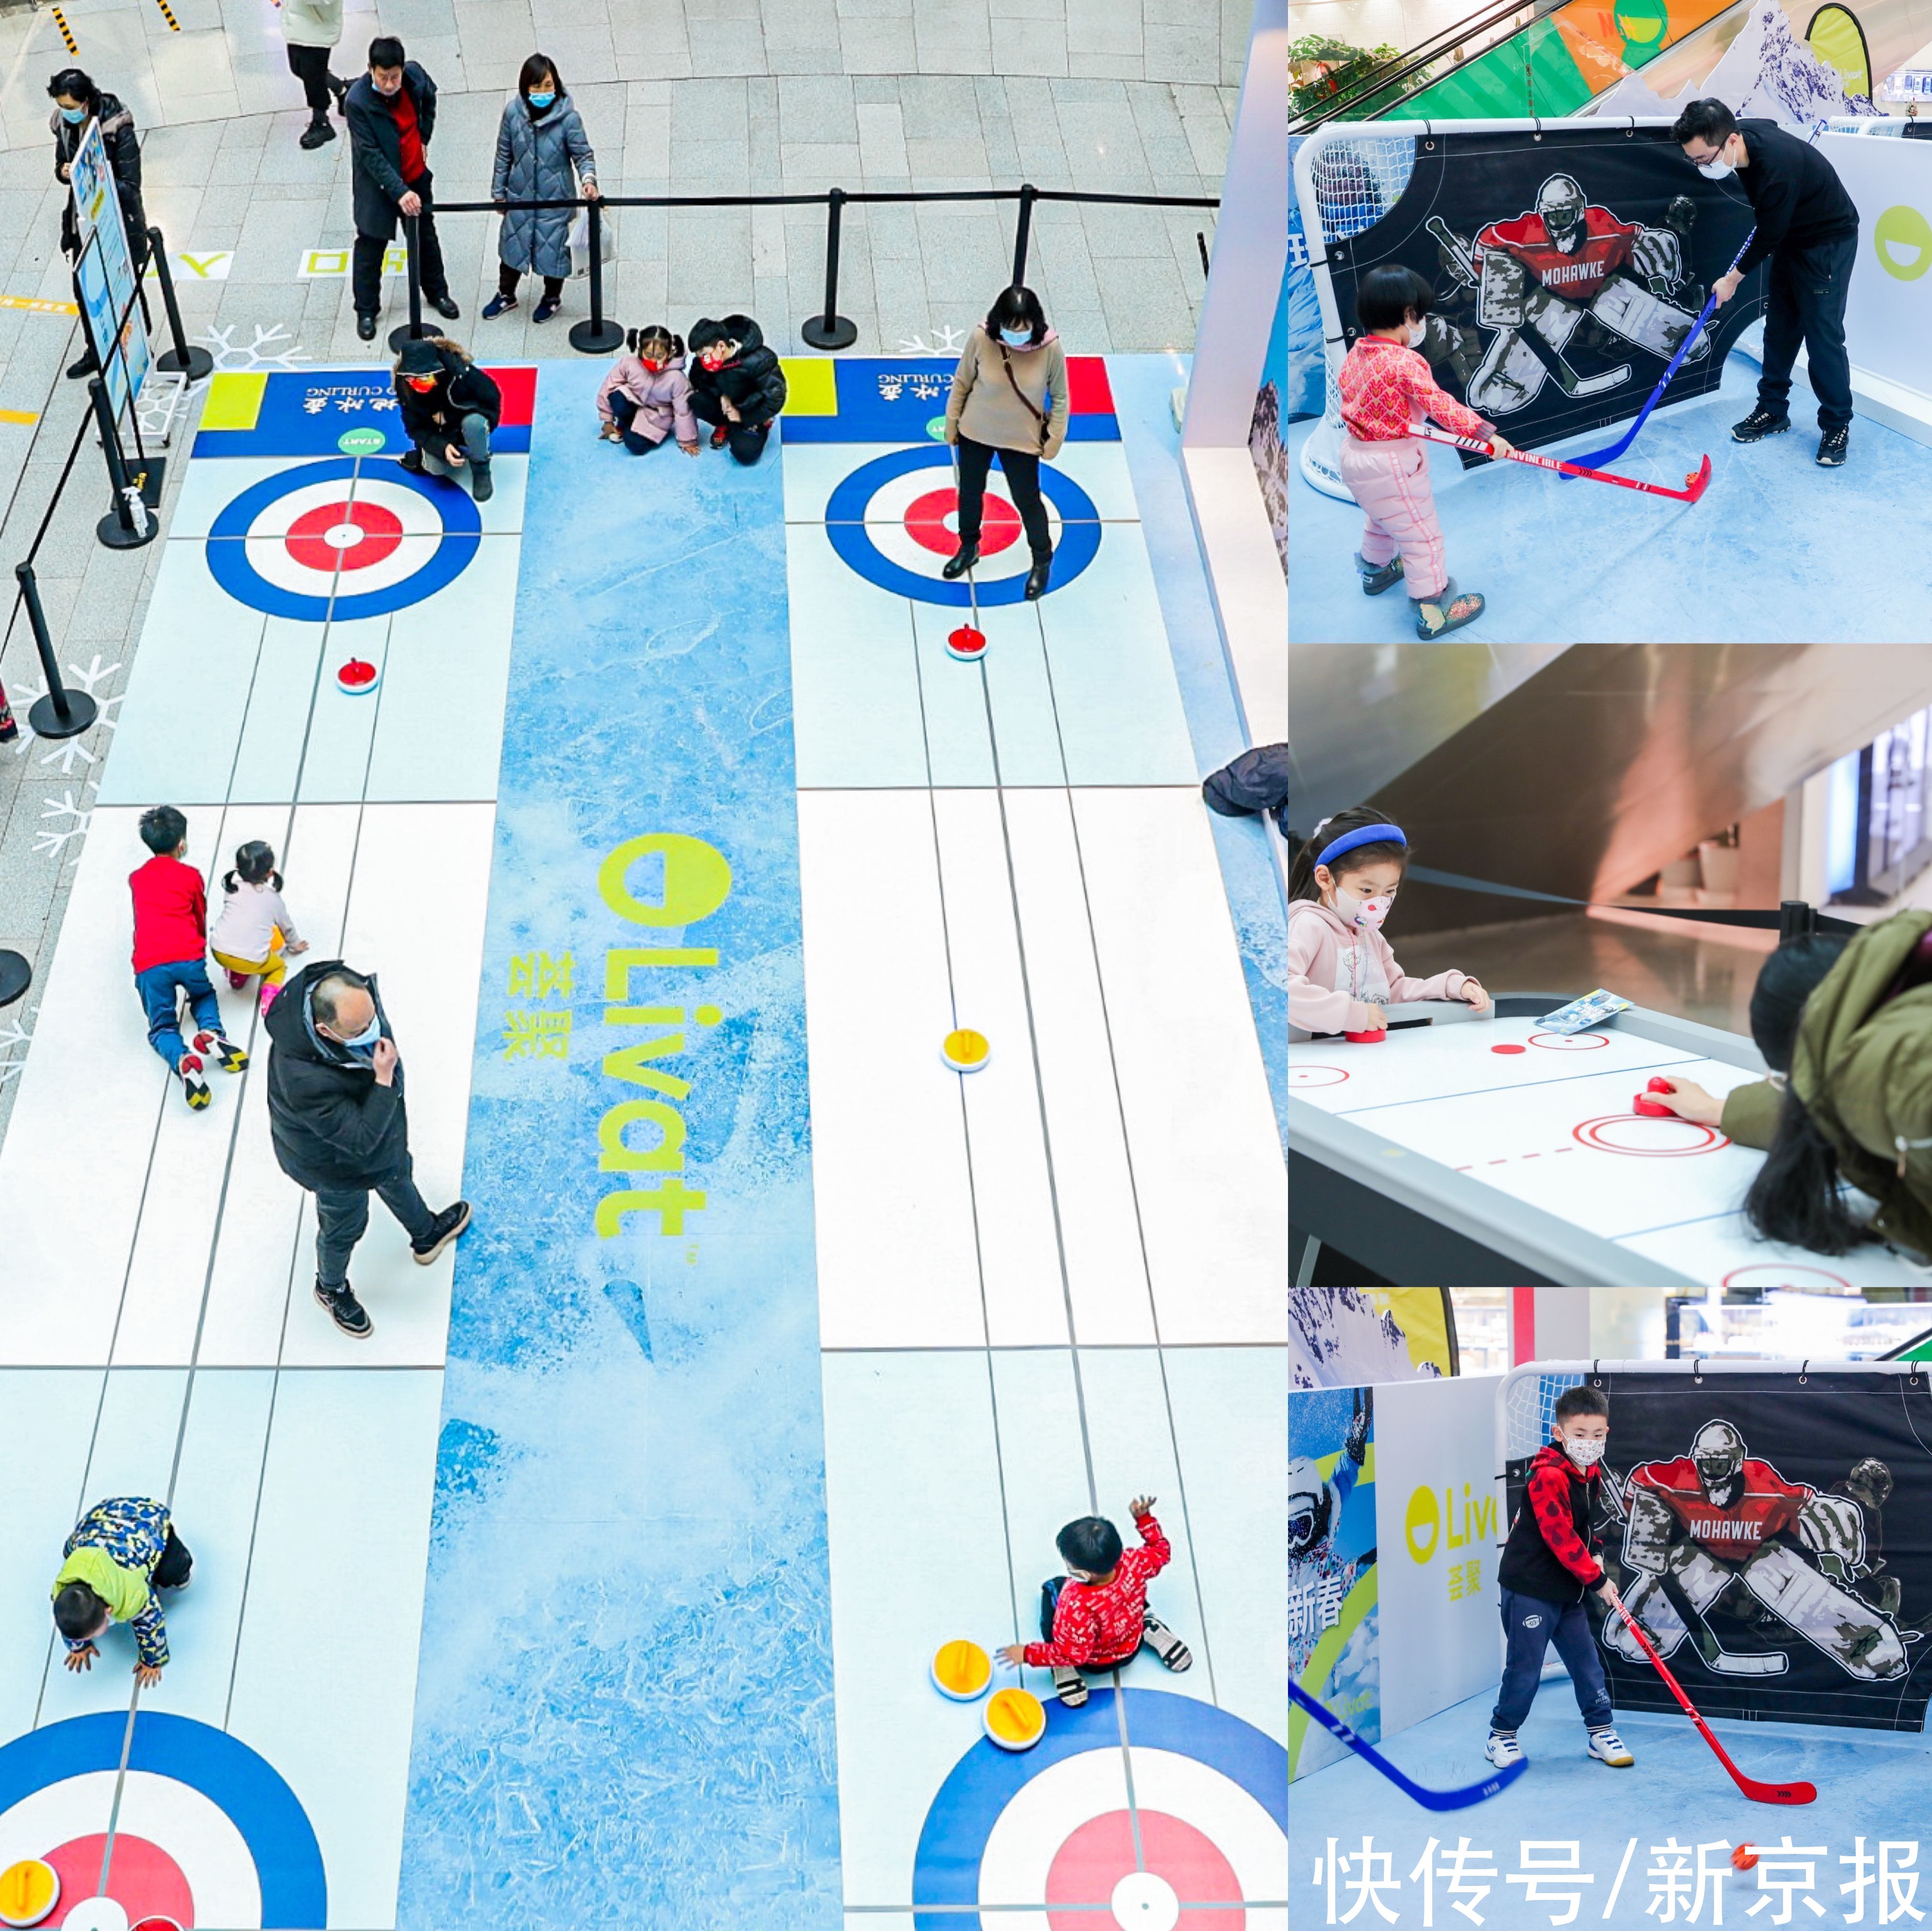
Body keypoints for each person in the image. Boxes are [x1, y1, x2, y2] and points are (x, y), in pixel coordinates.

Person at [1649, 917, 1932, 1257]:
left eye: (1787, 1080)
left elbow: (1840, 1094)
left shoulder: (1898, 1070)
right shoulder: (1908, 991)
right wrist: (1721, 1109)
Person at [264, 959, 472, 1338]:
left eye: (373, 1019)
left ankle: (425, 1234)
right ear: (326, 1031)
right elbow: (360, 1141)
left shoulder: (348, 995)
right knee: (345, 1225)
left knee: (397, 1173)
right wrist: (383, 1077)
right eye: (361, 1030)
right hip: (336, 1165)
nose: (373, 1032)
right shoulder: (303, 1081)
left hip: (379, 1134)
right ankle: (330, 1288)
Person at [1674, 99, 1860, 467]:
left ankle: (1837, 424)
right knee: (1779, 331)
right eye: (1692, 160)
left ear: (1730, 141)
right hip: (1794, 236)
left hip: (1827, 241)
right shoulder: (1746, 138)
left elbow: (1768, 234)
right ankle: (1773, 411)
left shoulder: (1777, 169)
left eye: (1704, 160)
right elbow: (1768, 121)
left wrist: (1731, 281)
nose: (1700, 168)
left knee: (1821, 336)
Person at [1338, 265, 1510, 640]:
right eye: (1421, 314)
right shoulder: (1404, 362)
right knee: (1422, 537)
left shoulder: (1358, 353)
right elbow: (1439, 403)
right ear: (1406, 315)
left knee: (1382, 519)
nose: (1423, 323)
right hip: (1392, 464)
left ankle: (1376, 571)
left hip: (1355, 458)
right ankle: (1434, 611)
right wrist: (1485, 435)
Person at [1488, 1385, 1636, 1772]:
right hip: (1530, 1590)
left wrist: (1599, 1555)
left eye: (1598, 1435)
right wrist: (1597, 1581)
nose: (1590, 1443)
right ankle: (1501, 1736)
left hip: (1567, 1590)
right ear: (1560, 1434)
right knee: (1526, 1669)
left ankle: (1600, 1731)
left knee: (1586, 1664)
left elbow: (1586, 1528)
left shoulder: (1589, 1472)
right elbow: (1560, 1536)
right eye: (1580, 1435)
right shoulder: (1548, 1476)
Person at [1287, 807, 1491, 1035]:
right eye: (1366, 889)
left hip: (1363, 1056)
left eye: (1389, 892)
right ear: (1325, 878)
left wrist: (1451, 987)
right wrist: (1349, 1014)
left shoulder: (1370, 935)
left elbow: (1392, 991)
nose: (1378, 903)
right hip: (1316, 1059)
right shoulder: (1307, 925)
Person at [996, 1497, 1192, 1709]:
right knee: (1126, 1594)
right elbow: (1161, 1551)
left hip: (1097, 1663)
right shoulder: (1134, 1562)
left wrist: (1026, 1654)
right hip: (1131, 1642)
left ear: (1083, 1573)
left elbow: (1073, 1653)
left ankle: (1064, 1670)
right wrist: (1144, 1520)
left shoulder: (1075, 1603)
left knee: (1051, 1589)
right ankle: (1148, 1627)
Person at [943, 286, 1067, 602]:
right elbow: (963, 382)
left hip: (1022, 440)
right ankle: (968, 546)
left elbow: (1061, 397)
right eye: (1010, 326)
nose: (1016, 333)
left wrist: (1054, 440)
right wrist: (952, 424)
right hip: (975, 431)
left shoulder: (1051, 348)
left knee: (1028, 500)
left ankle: (1042, 560)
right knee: (970, 492)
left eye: (1022, 328)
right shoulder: (982, 338)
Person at [130, 805, 247, 1112]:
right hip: (187, 955)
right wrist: (199, 947)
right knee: (203, 994)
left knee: (163, 1028)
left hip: (150, 966)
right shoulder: (191, 875)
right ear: (182, 844)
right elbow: (199, 914)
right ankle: (211, 1032)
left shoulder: (137, 879)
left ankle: (183, 1061)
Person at [345, 36, 459, 343]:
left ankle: (437, 293)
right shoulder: (357, 102)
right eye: (384, 77)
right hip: (379, 188)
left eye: (395, 76)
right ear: (371, 70)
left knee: (425, 238)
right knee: (370, 247)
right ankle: (366, 310)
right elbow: (370, 154)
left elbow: (430, 98)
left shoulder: (414, 77)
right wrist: (400, 192)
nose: (391, 83)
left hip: (416, 177)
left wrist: (424, 137)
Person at [47, 69, 147, 379]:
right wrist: (66, 172)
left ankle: (137, 348)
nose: (67, 113)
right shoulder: (64, 124)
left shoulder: (118, 127)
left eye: (71, 107)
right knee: (86, 290)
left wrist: (95, 177)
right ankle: (95, 349)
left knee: (124, 287)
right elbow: (61, 165)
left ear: (87, 101)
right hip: (82, 223)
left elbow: (131, 186)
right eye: (62, 106)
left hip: (117, 222)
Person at [485, 55, 598, 324]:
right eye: (537, 87)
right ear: (526, 87)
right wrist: (499, 192)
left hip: (555, 201)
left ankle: (552, 298)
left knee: (554, 253)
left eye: (548, 85)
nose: (544, 92)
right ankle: (506, 294)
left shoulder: (569, 119)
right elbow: (504, 154)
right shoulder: (513, 113)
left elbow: (583, 155)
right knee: (512, 249)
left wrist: (589, 180)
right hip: (520, 197)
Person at [52, 1497, 193, 1689]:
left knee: (173, 1570)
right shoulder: (63, 1590)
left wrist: (153, 1661)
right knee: (70, 1549)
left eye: (92, 1634)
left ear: (108, 1612)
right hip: (102, 1519)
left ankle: (181, 1567)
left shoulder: (132, 1595)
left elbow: (151, 1624)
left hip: (149, 1524)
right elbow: (67, 1621)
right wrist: (78, 1647)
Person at [210, 839, 310, 1020]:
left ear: (237, 867)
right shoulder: (273, 900)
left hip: (219, 951)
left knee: (241, 940)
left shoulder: (232, 889)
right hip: (252, 959)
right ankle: (269, 999)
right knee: (279, 967)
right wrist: (296, 945)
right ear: (271, 873)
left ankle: (237, 978)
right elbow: (286, 928)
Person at [393, 335, 501, 501]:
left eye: (424, 378)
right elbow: (415, 428)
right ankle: (431, 456)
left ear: (437, 373)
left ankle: (481, 468)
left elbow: (490, 403)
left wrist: (450, 417)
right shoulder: (404, 385)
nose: (417, 384)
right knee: (436, 468)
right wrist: (441, 447)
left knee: (475, 424)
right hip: (437, 433)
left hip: (463, 422)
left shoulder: (463, 374)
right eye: (411, 379)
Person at [686, 315, 787, 467]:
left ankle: (761, 425)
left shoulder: (760, 360)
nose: (703, 360)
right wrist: (723, 395)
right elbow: (697, 379)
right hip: (726, 404)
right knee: (696, 401)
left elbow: (776, 399)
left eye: (705, 354)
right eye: (699, 356)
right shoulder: (707, 362)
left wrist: (743, 416)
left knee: (745, 455)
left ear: (721, 346)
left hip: (750, 410)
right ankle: (725, 424)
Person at [597, 325, 699, 455]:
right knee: (616, 397)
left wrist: (688, 441)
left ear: (670, 353)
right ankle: (625, 423)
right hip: (634, 402)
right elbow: (609, 386)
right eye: (649, 355)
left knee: (634, 445)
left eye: (660, 356)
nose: (654, 360)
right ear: (640, 350)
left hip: (655, 416)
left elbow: (683, 411)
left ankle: (632, 430)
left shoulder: (677, 379)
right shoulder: (629, 364)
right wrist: (608, 420)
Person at [274, 0, 348, 150]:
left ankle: (322, 123)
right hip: (297, 21)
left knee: (313, 75)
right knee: (298, 68)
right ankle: (340, 89)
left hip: (318, 26)